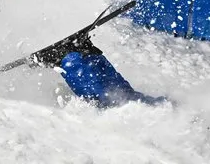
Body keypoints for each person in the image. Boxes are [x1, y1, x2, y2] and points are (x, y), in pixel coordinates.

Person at [36, 35, 167, 109]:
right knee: (116, 93)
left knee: (106, 96)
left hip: (130, 108)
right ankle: (81, 53)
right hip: (136, 105)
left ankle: (71, 56)